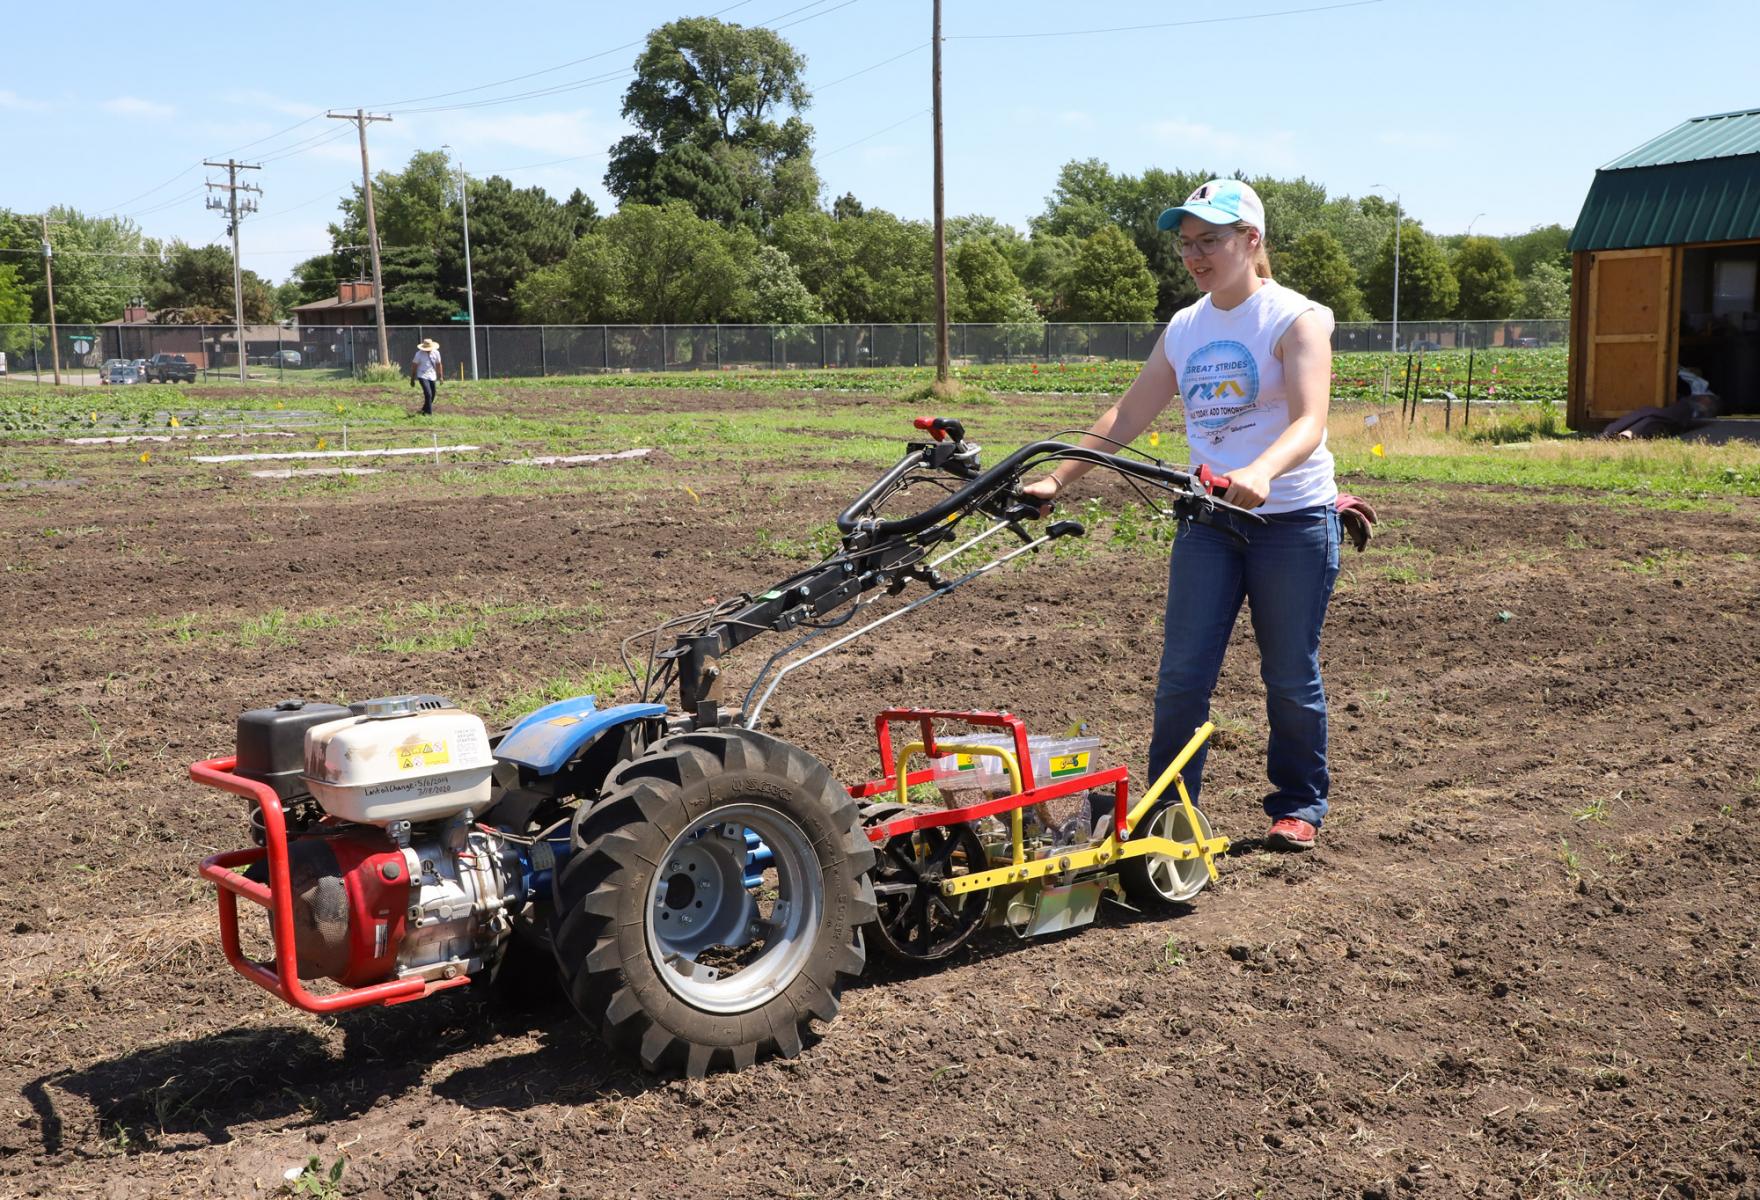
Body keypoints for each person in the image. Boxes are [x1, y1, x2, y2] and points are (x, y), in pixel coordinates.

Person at [1021, 179, 1340, 851]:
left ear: (1251, 242)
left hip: (1291, 521)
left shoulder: (1296, 318)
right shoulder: (1186, 326)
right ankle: (1172, 812)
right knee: (1182, 676)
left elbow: (1311, 422)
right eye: (1186, 244)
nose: (1196, 256)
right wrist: (1059, 476)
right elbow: (1128, 415)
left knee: (1287, 673)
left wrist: (1261, 470)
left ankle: (1300, 803)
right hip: (1209, 524)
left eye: (1211, 241)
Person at [410, 338, 443, 414]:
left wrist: (440, 376)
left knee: (433, 394)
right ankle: (429, 413)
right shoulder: (418, 354)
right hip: (422, 375)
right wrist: (412, 378)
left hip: (432, 375)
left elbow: (439, 364)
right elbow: (414, 366)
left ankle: (424, 410)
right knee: (428, 393)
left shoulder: (436, 353)